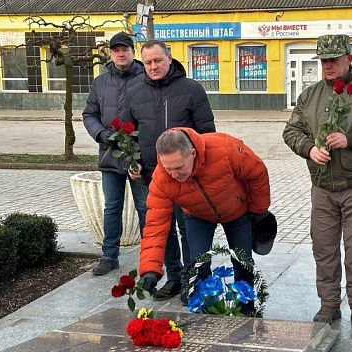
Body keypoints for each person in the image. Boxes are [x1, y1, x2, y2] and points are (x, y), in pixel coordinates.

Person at [282, 34, 352, 331]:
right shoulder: (310, 96)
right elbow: (291, 131)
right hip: (323, 187)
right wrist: (309, 149)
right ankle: (329, 305)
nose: (328, 66)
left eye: (334, 60)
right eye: (324, 60)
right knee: (324, 248)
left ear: (350, 59)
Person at [138, 128, 271, 316]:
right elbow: (155, 224)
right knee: (198, 263)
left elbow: (257, 172)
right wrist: (150, 269)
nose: (174, 175)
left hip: (236, 210)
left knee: (243, 261)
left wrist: (258, 211)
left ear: (192, 153)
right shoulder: (162, 178)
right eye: (168, 168)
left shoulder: (224, 148)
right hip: (197, 215)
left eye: (179, 167)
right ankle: (207, 310)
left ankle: (246, 307)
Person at [123, 40, 216, 303]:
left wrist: (197, 166)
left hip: (185, 176)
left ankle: (191, 278)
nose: (153, 67)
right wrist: (133, 160)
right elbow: (126, 132)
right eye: (148, 62)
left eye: (158, 61)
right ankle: (174, 276)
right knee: (161, 228)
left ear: (169, 58)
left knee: (188, 227)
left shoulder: (191, 89)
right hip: (151, 176)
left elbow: (207, 133)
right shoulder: (135, 92)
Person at [83, 32, 146, 276]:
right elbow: (89, 115)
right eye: (116, 50)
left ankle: (150, 257)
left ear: (133, 51)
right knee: (112, 207)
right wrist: (100, 134)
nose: (121, 54)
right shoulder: (100, 82)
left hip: (138, 157)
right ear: (110, 53)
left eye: (125, 49)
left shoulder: (145, 78)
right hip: (109, 155)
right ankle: (109, 255)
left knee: (145, 207)